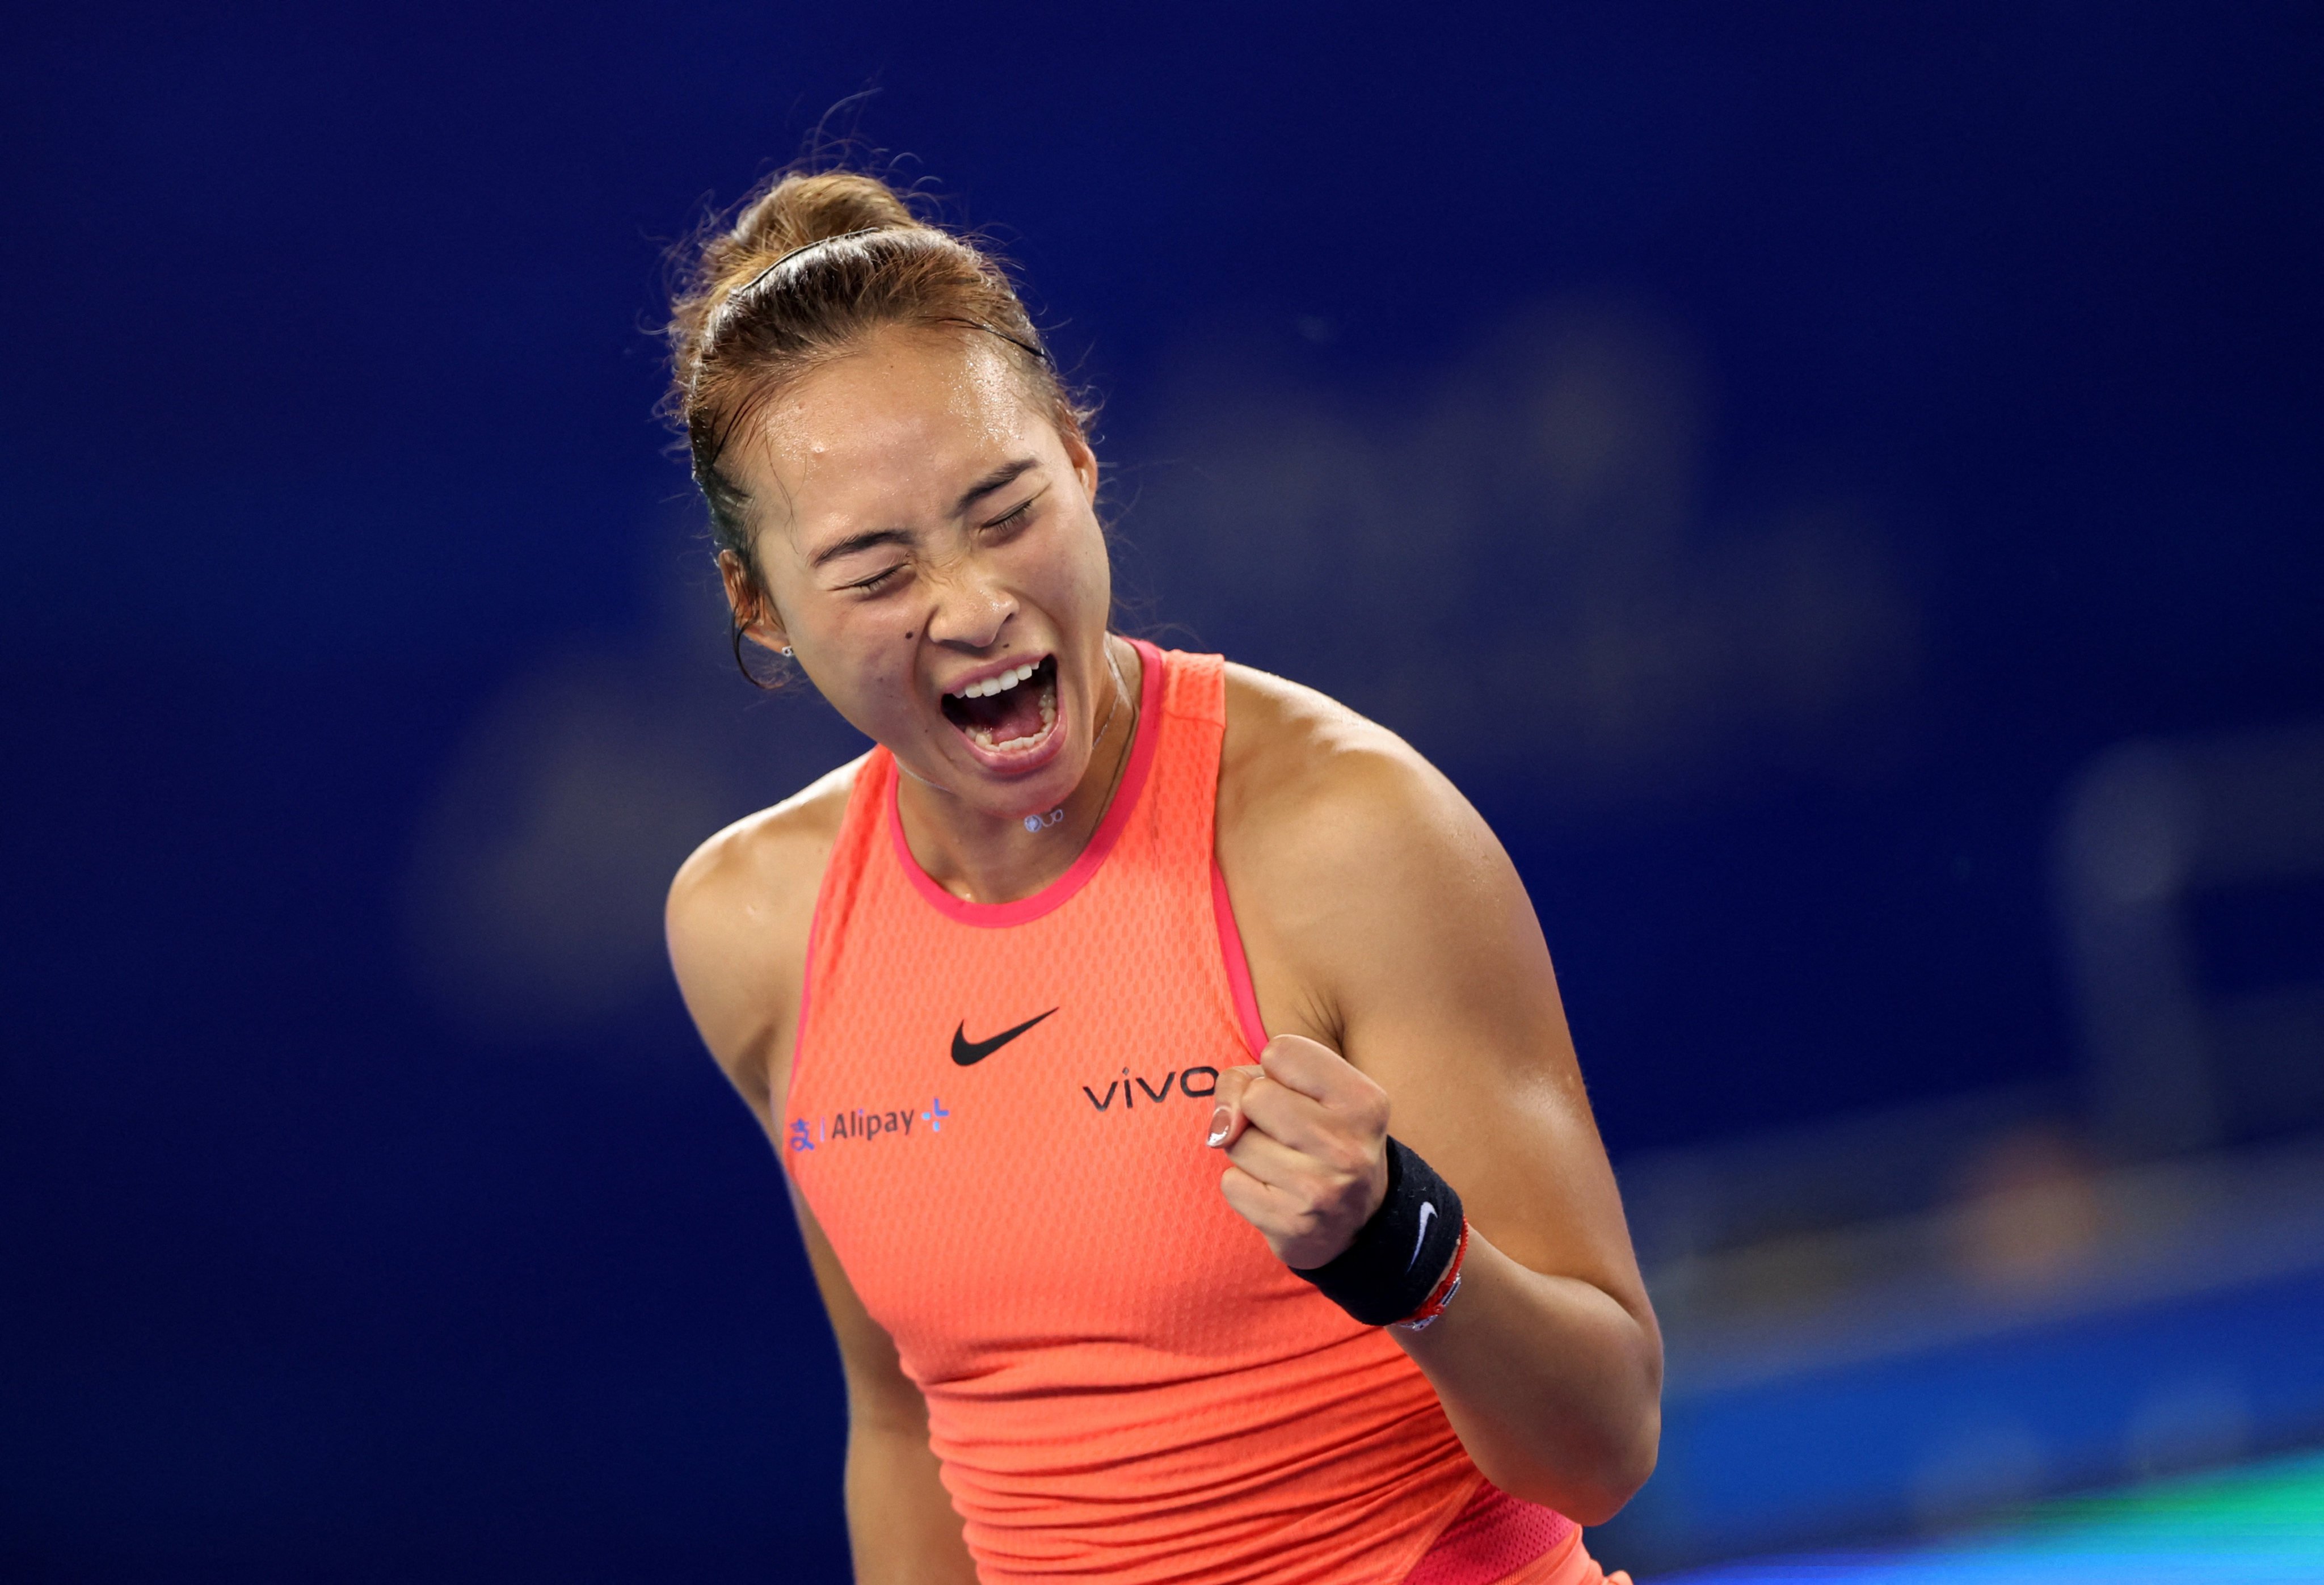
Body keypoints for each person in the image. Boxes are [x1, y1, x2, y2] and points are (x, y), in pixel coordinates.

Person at [662, 165, 1660, 1585]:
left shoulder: (1350, 833)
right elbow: (902, 1420)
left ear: (1078, 463)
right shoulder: (747, 926)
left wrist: (1402, 1247)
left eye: (1004, 509)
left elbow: (1604, 1439)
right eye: (876, 571)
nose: (973, 601)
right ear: (754, 602)